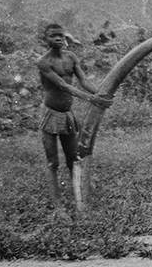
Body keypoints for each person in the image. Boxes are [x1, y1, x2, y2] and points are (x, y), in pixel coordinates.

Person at [37, 23, 112, 210]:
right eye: (53, 36)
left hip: (67, 114)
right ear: (45, 39)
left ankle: (80, 201)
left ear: (66, 38)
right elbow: (63, 86)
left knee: (74, 159)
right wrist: (92, 99)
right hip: (50, 114)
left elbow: (84, 80)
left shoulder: (71, 57)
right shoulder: (43, 62)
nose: (58, 39)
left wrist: (102, 95)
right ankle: (58, 206)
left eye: (61, 36)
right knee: (53, 162)